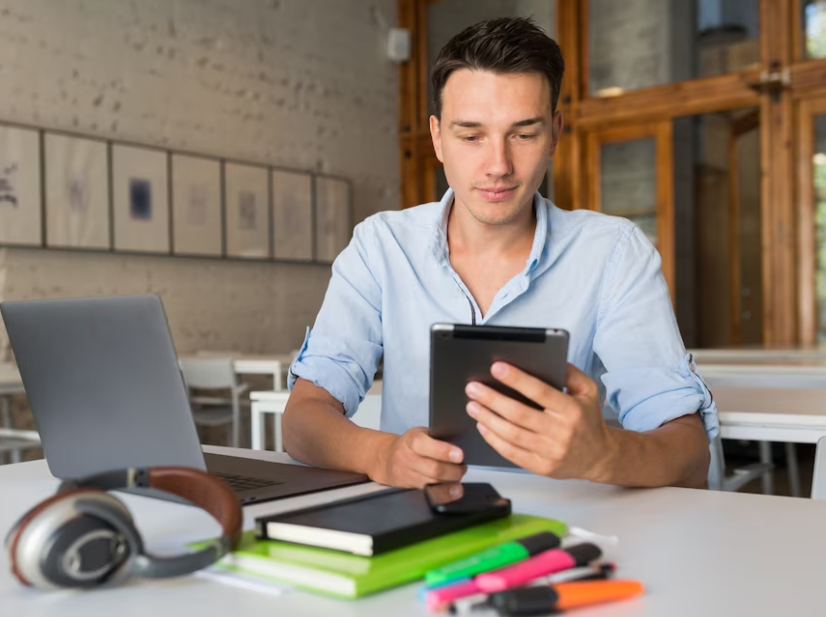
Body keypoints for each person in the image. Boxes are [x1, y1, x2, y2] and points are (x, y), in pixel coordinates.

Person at [282, 17, 718, 490]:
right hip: (416, 528)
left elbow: (690, 453)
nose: (498, 166)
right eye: (471, 136)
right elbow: (302, 420)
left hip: (570, 536)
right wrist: (380, 454)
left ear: (554, 134)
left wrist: (605, 455)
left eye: (523, 135)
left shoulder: (614, 254)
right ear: (437, 138)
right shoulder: (380, 247)